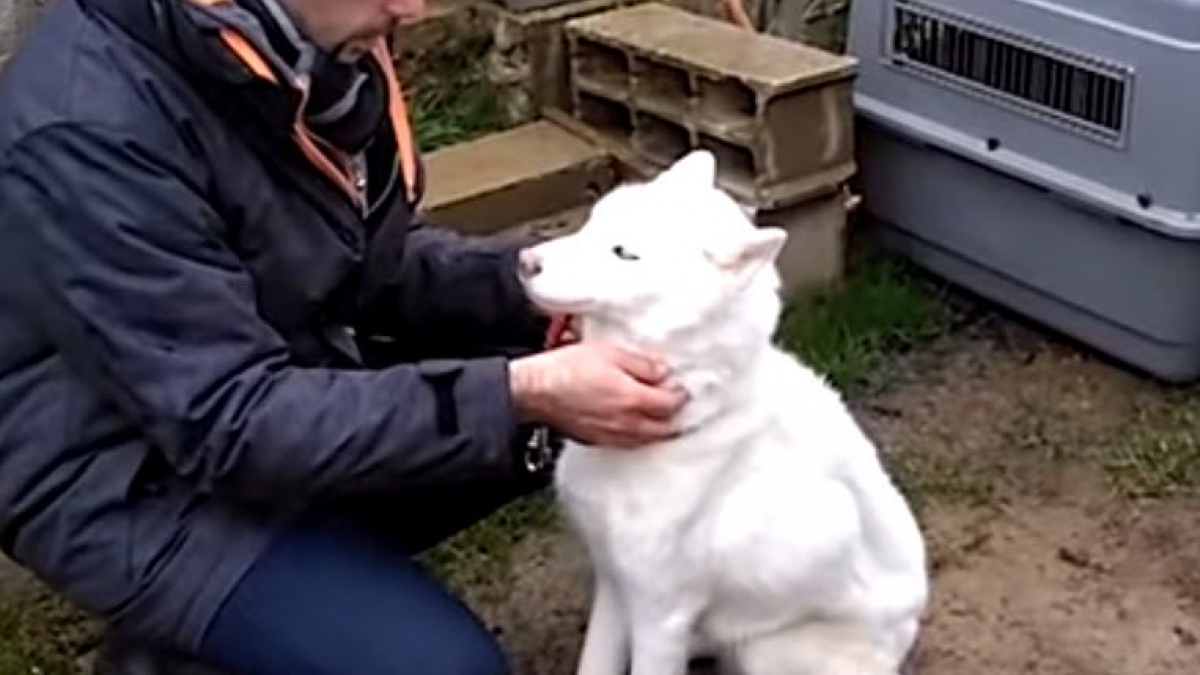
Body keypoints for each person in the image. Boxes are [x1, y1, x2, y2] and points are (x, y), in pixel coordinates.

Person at [0, 0, 690, 673]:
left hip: (270, 383)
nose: (412, 10)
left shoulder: (304, 59)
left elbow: (370, 263)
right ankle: (192, 634)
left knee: (567, 405)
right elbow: (231, 422)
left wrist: (534, 286)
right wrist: (520, 394)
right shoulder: (89, 128)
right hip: (128, 476)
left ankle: (281, 606)